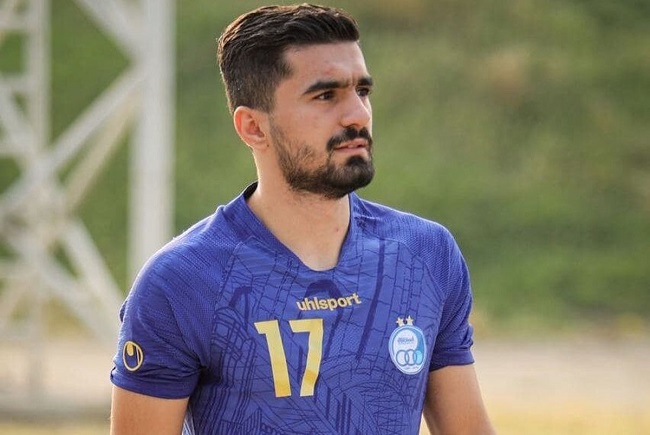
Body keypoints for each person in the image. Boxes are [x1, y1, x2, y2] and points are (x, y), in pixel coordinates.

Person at [110, 4, 495, 434]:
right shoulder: (183, 282)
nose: (358, 115)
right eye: (326, 95)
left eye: (362, 91)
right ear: (253, 127)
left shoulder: (425, 255)